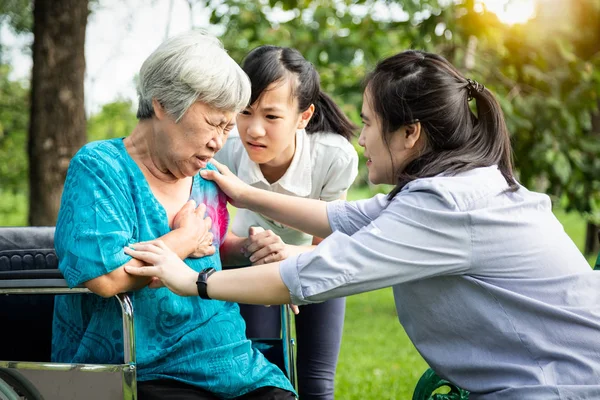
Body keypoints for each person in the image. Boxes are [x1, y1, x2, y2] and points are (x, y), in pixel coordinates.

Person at [124, 50, 600, 399]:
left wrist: (193, 281)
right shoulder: (454, 187)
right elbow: (345, 217)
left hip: (558, 383)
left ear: (410, 133)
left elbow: (317, 274)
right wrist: (245, 193)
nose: (361, 138)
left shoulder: (447, 205)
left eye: (370, 123)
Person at [52, 31, 296, 400]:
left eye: (228, 128)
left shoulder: (208, 175)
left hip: (228, 359)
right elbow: (104, 277)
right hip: (140, 366)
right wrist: (179, 241)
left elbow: (210, 247)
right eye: (214, 123)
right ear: (163, 104)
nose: (219, 141)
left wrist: (248, 249)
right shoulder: (100, 168)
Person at [214, 45, 358, 400]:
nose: (254, 130)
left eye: (272, 117)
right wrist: (256, 252)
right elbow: (210, 235)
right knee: (263, 372)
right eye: (245, 112)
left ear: (304, 116)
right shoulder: (225, 149)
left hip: (314, 260)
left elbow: (327, 246)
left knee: (316, 381)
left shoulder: (334, 156)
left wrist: (286, 256)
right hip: (249, 260)